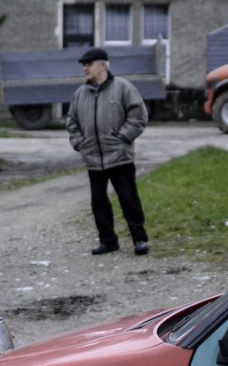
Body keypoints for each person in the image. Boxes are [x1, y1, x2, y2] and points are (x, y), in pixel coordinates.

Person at [66, 47, 150, 256]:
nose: (85, 68)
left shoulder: (123, 88)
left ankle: (140, 239)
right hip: (93, 159)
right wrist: (80, 143)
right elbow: (72, 122)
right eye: (84, 65)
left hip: (120, 157)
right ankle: (108, 241)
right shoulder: (80, 94)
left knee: (128, 199)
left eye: (89, 64)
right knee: (98, 202)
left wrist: (123, 138)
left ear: (103, 65)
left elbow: (138, 116)